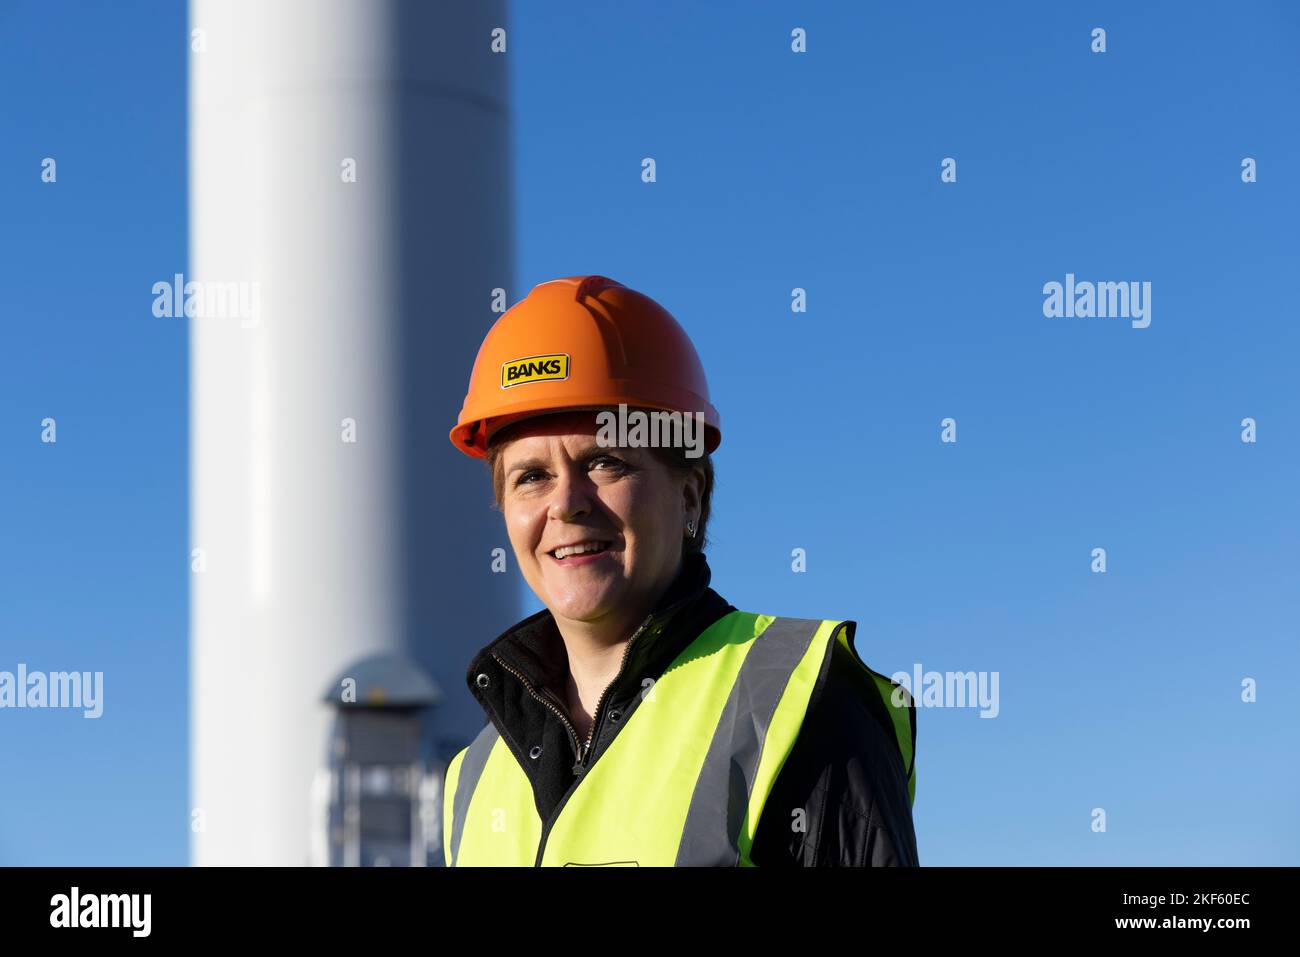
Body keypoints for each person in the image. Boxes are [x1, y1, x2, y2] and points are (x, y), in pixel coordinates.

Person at [442, 275, 918, 867]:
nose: (566, 503)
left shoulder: (799, 701)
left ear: (689, 497)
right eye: (531, 477)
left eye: (605, 462)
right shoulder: (474, 778)